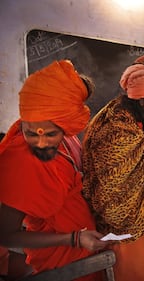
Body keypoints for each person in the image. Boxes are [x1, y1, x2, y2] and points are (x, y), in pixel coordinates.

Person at [0, 60, 109, 281]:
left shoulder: (69, 139)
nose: (40, 143)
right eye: (31, 132)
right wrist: (74, 239)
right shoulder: (24, 160)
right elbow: (5, 236)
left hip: (89, 250)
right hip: (62, 267)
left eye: (50, 134)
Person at [82, 53, 144, 281]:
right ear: (142, 100)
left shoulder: (116, 114)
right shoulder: (122, 135)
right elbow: (116, 211)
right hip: (123, 241)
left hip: (130, 231)